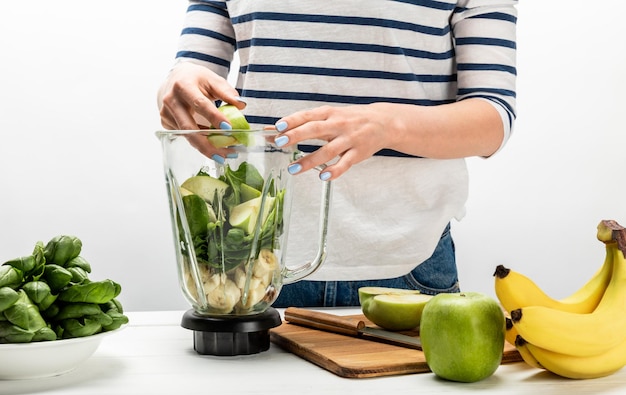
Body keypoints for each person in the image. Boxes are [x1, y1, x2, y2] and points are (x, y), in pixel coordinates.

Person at [157, 0, 518, 307]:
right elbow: (195, 72)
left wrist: (390, 125)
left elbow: (493, 117)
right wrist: (180, 84)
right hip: (251, 263)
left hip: (407, 265)